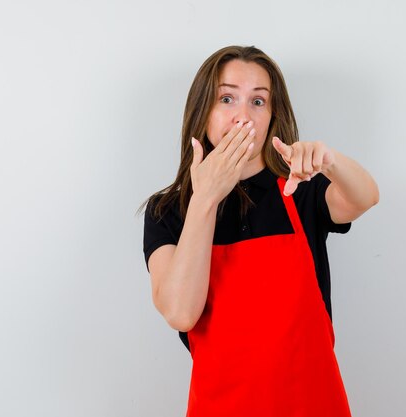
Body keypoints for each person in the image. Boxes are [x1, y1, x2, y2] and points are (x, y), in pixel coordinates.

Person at [141, 45, 379, 417]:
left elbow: (365, 197)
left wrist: (330, 162)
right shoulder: (168, 211)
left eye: (258, 102)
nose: (243, 116)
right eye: (227, 98)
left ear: (272, 116)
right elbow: (180, 312)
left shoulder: (298, 189)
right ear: (202, 110)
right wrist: (206, 198)